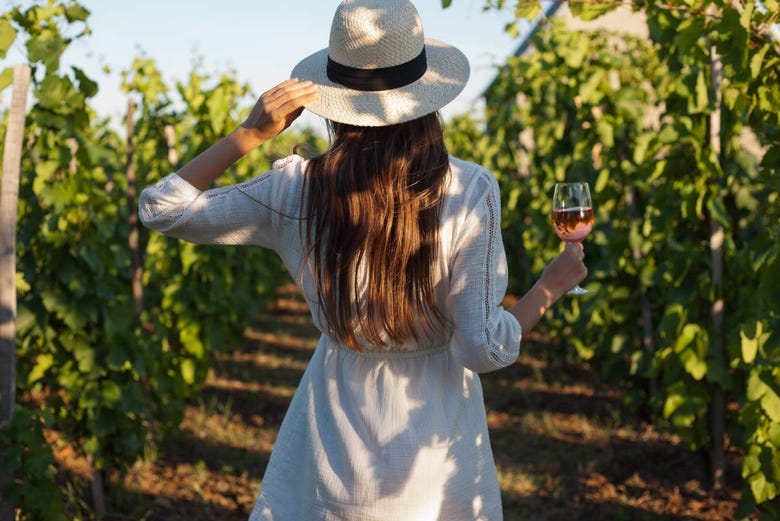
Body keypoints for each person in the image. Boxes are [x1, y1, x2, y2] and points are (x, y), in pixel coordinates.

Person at [138, 0, 587, 519]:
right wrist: (549, 287)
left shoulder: (295, 188)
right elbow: (480, 348)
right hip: (436, 440)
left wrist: (250, 134)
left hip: (336, 427)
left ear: (333, 98)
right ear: (427, 97)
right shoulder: (469, 189)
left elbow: (161, 208)